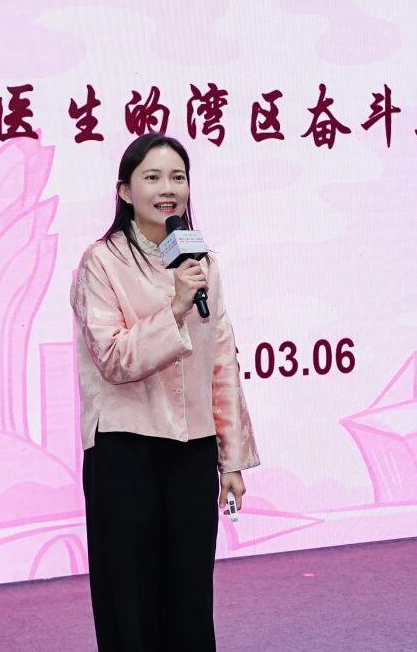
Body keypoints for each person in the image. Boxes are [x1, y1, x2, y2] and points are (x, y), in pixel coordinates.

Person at [70, 132, 261, 651]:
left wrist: (232, 461)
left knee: (190, 597)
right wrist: (175, 308)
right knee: (130, 597)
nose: (167, 188)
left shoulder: (202, 262)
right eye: (152, 177)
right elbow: (113, 359)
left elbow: (222, 363)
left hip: (192, 449)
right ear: (125, 191)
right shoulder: (100, 262)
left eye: (178, 177)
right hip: (124, 448)